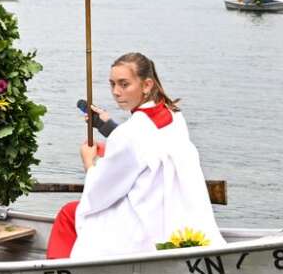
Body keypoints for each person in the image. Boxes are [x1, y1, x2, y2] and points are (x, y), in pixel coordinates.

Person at [47, 52, 221, 260]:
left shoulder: (127, 135)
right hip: (174, 212)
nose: (116, 92)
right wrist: (107, 126)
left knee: (69, 213)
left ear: (146, 85)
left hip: (143, 225)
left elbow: (101, 191)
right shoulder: (174, 116)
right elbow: (146, 146)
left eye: (124, 84)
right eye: (112, 84)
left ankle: (58, 273)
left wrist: (89, 162)